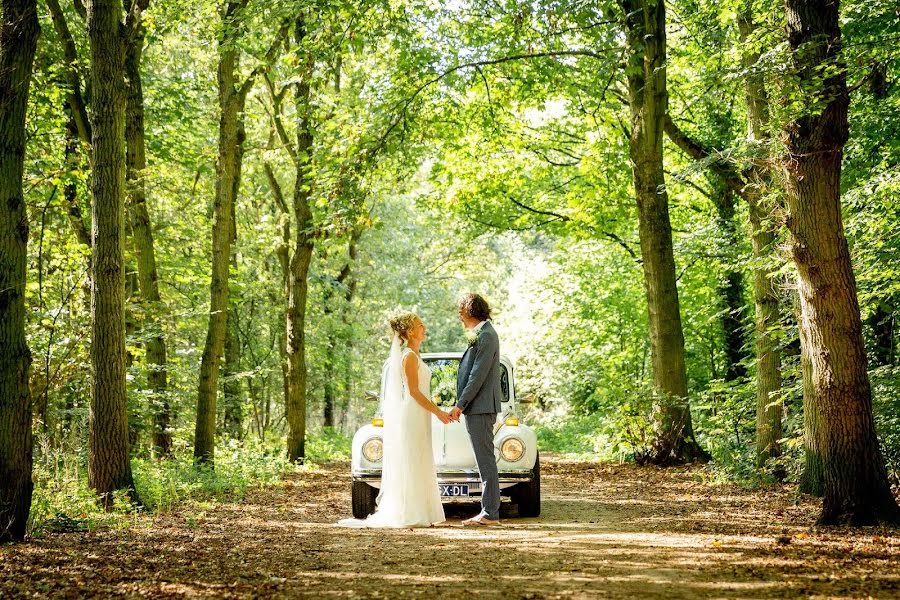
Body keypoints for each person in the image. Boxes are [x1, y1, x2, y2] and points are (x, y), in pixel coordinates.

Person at [338, 312, 451, 528]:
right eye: (420, 324)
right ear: (410, 331)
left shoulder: (416, 355)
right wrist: (438, 412)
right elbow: (415, 392)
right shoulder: (408, 356)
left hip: (421, 413)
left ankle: (423, 512)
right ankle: (411, 512)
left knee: (421, 457)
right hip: (413, 413)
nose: (424, 327)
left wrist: (434, 409)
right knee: (413, 458)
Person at [451, 293, 503, 526]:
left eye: (461, 310)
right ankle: (489, 510)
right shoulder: (482, 334)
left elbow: (477, 375)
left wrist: (461, 404)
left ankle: (490, 512)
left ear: (471, 311)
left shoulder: (487, 335)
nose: (459, 315)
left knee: (485, 459)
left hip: (480, 407)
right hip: (478, 407)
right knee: (484, 459)